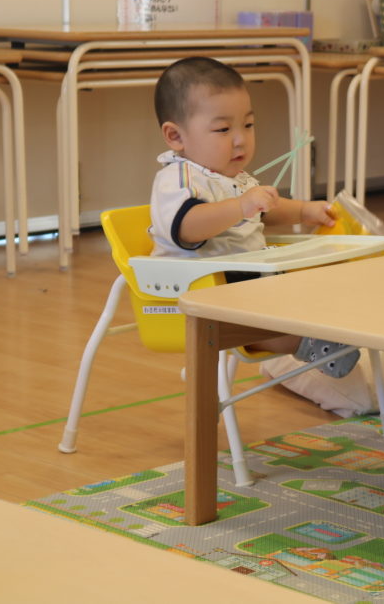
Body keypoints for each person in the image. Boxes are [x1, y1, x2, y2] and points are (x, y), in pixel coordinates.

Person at [149, 56, 357, 376]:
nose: (240, 139)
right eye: (223, 129)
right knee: (272, 317)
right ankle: (310, 342)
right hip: (198, 294)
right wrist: (240, 206)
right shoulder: (178, 180)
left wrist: (304, 210)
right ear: (176, 136)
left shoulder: (233, 176)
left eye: (248, 125)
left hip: (243, 285)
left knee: (308, 279)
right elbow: (187, 227)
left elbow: (265, 211)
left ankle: (326, 322)